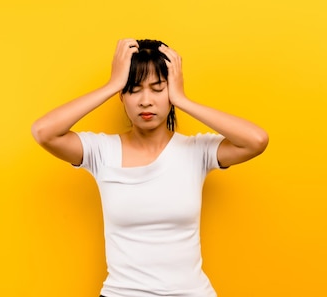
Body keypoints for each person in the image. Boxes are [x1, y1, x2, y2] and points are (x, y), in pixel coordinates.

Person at [31, 39, 268, 297]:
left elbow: (256, 140)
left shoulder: (197, 151)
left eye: (158, 89)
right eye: (134, 89)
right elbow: (44, 132)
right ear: (122, 95)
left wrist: (182, 99)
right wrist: (112, 84)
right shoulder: (102, 151)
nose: (146, 101)